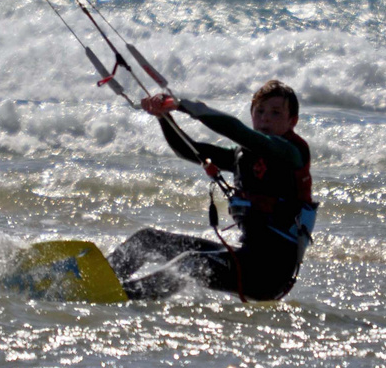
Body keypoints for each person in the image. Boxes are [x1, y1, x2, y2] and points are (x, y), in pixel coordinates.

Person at [109, 79, 317, 301]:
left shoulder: (291, 154)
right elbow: (188, 149)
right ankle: (95, 278)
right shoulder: (242, 156)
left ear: (292, 121)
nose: (265, 117)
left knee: (191, 263)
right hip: (245, 259)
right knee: (147, 240)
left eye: (276, 113)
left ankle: (120, 297)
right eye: (260, 111)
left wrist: (186, 106)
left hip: (268, 275)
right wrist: (164, 117)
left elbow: (239, 132)